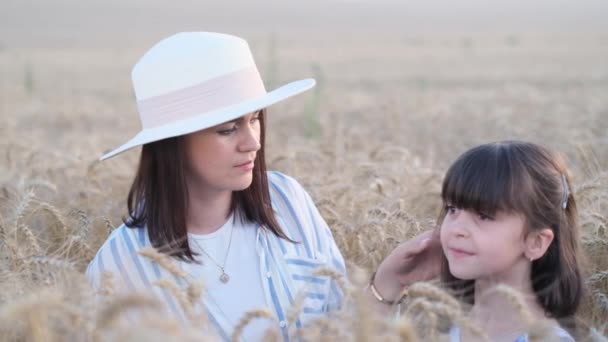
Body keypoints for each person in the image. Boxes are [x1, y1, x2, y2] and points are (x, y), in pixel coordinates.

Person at [86, 32, 440, 341]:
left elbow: (341, 331)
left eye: (255, 120)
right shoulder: (120, 267)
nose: (252, 142)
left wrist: (387, 283)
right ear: (172, 143)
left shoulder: (287, 203)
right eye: (228, 129)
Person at [437, 141, 584, 342]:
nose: (456, 229)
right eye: (452, 209)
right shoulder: (440, 327)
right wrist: (389, 286)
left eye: (484, 215)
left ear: (536, 242)